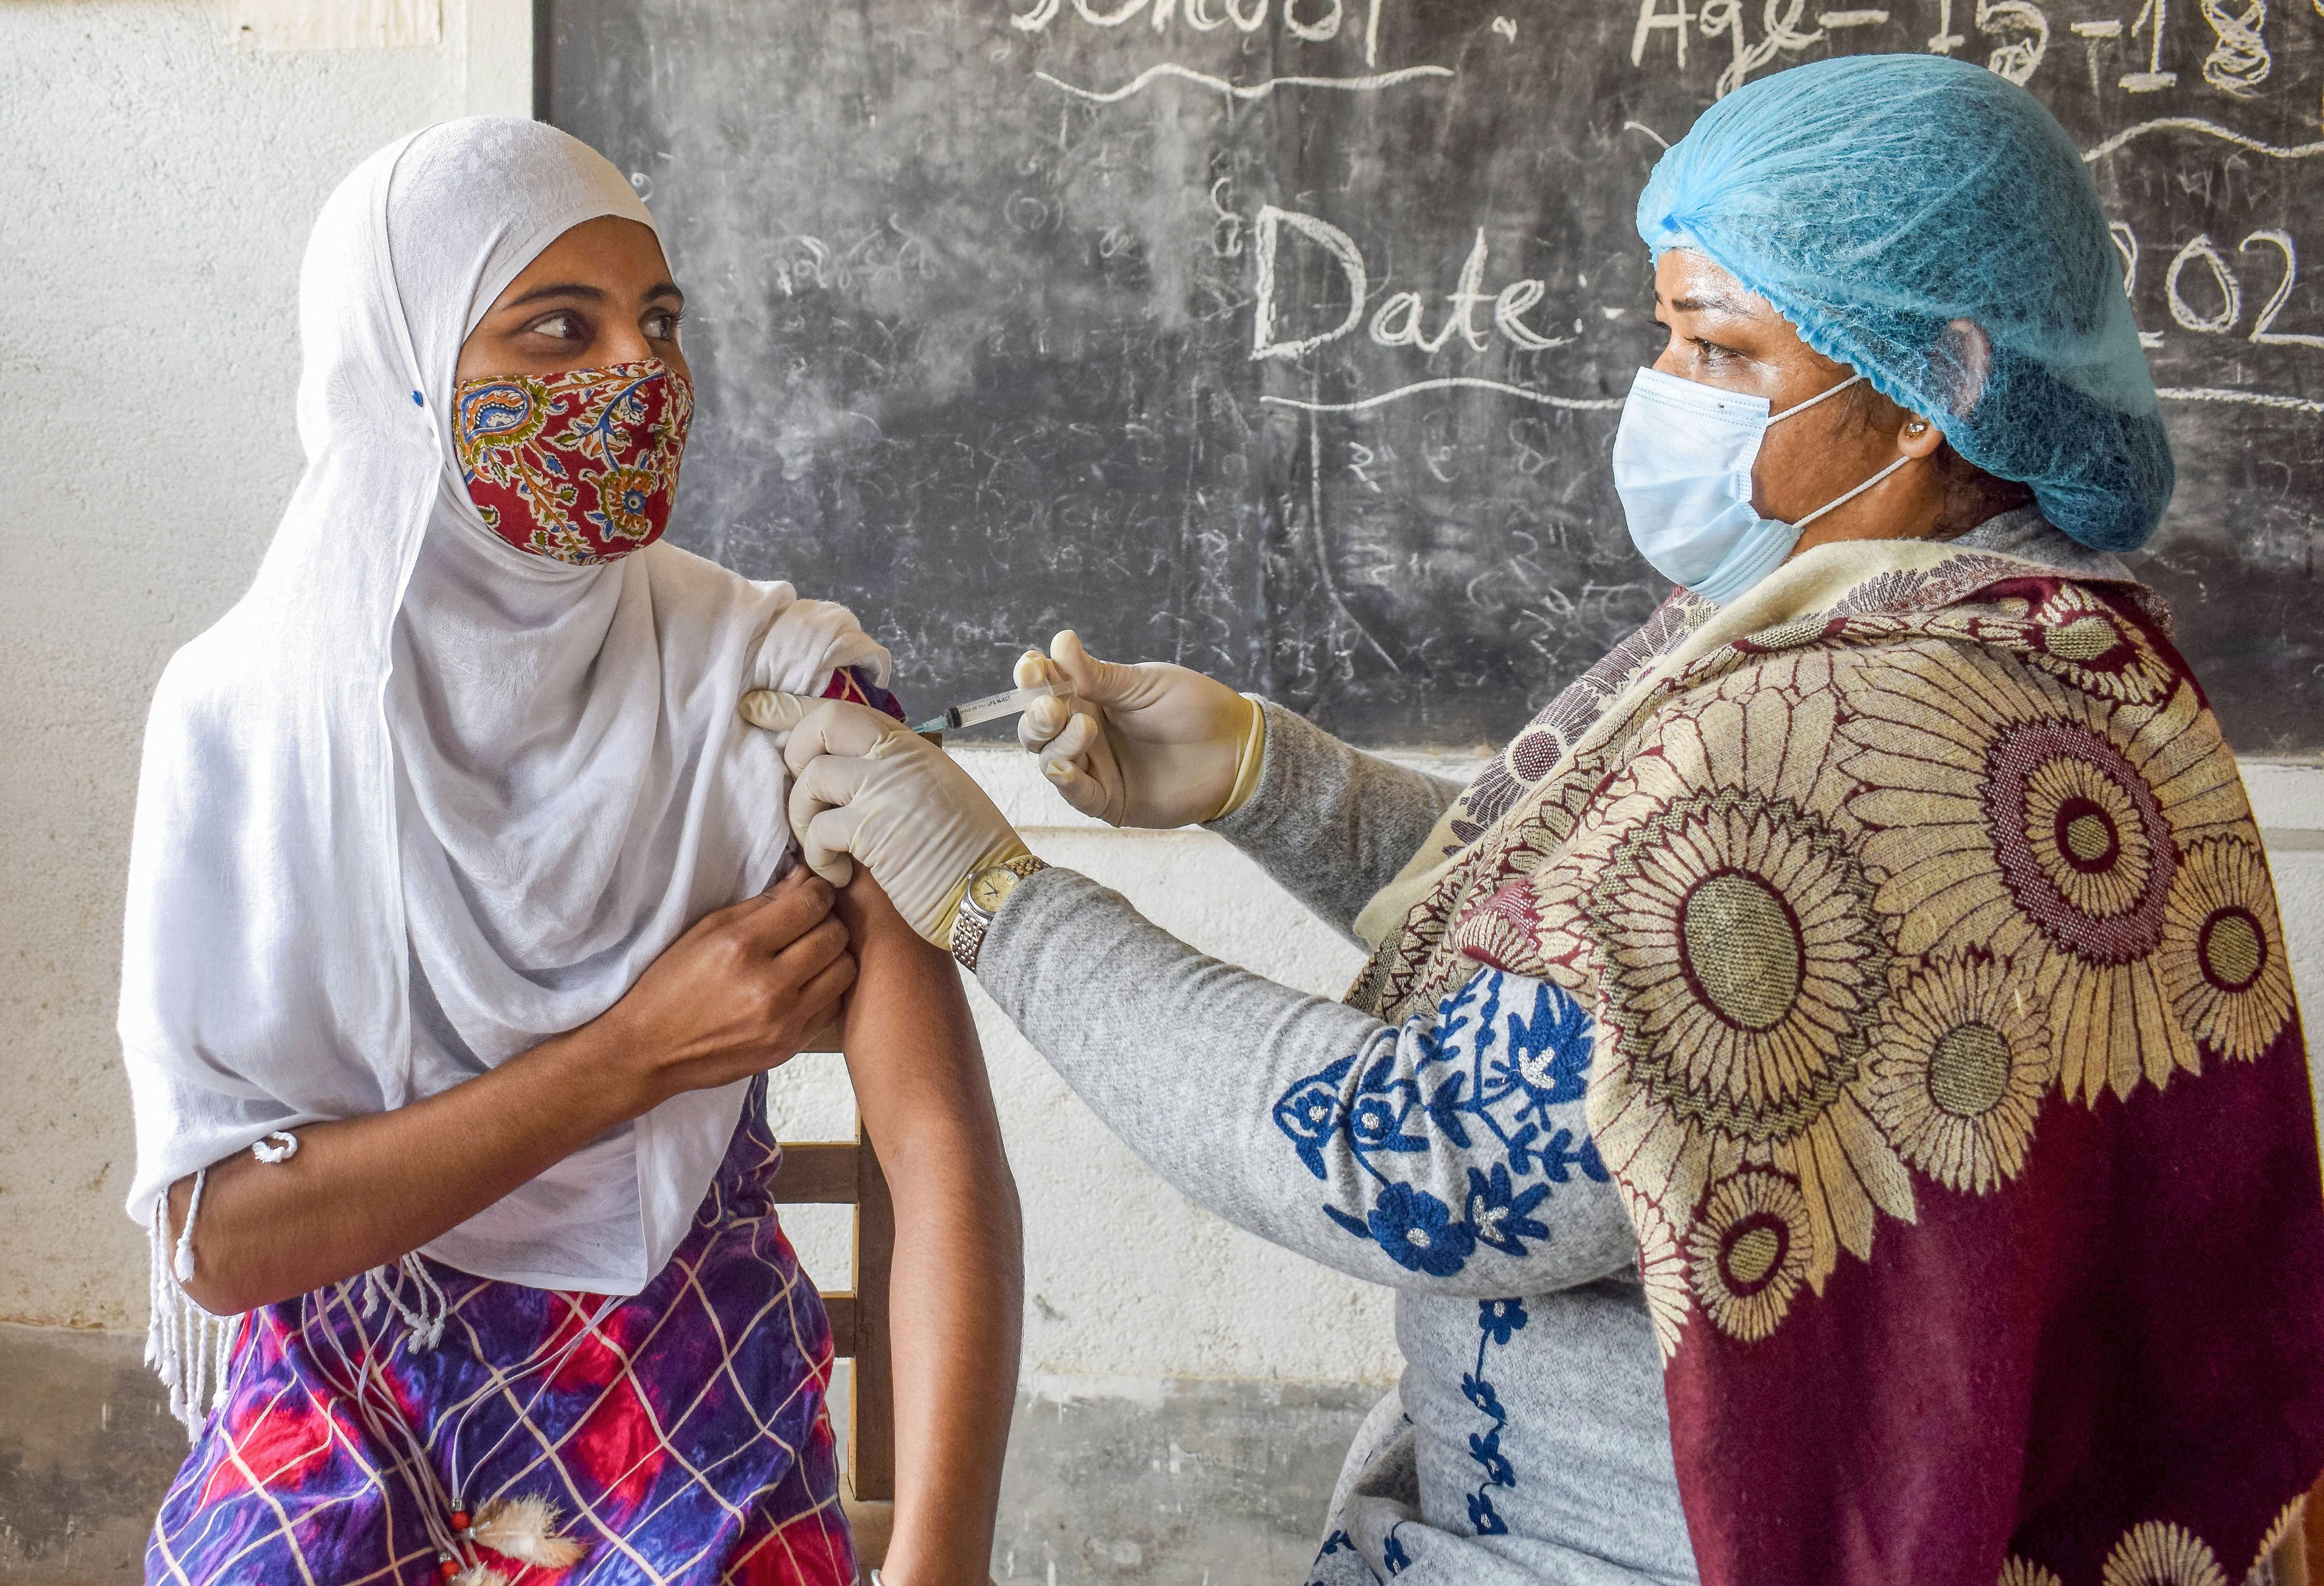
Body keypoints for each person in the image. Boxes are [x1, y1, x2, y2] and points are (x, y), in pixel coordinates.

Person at [749, 54, 2324, 1586]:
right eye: (1669, 339)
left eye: (1722, 351)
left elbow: (1414, 1147)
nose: (1668, 397)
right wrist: (1267, 777)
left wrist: (997, 898)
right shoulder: (2044, 647)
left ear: (1939, 387)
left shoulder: (1853, 734)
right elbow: (1639, 958)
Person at [119, 119, 1019, 1586]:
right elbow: (226, 1240)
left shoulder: (783, 691)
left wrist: (945, 1562)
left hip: (688, 1398)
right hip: (351, 1389)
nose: (637, 377)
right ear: (399, 372)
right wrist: (636, 1054)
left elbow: (943, 1154)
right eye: (558, 329)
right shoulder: (249, 721)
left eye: (657, 324)